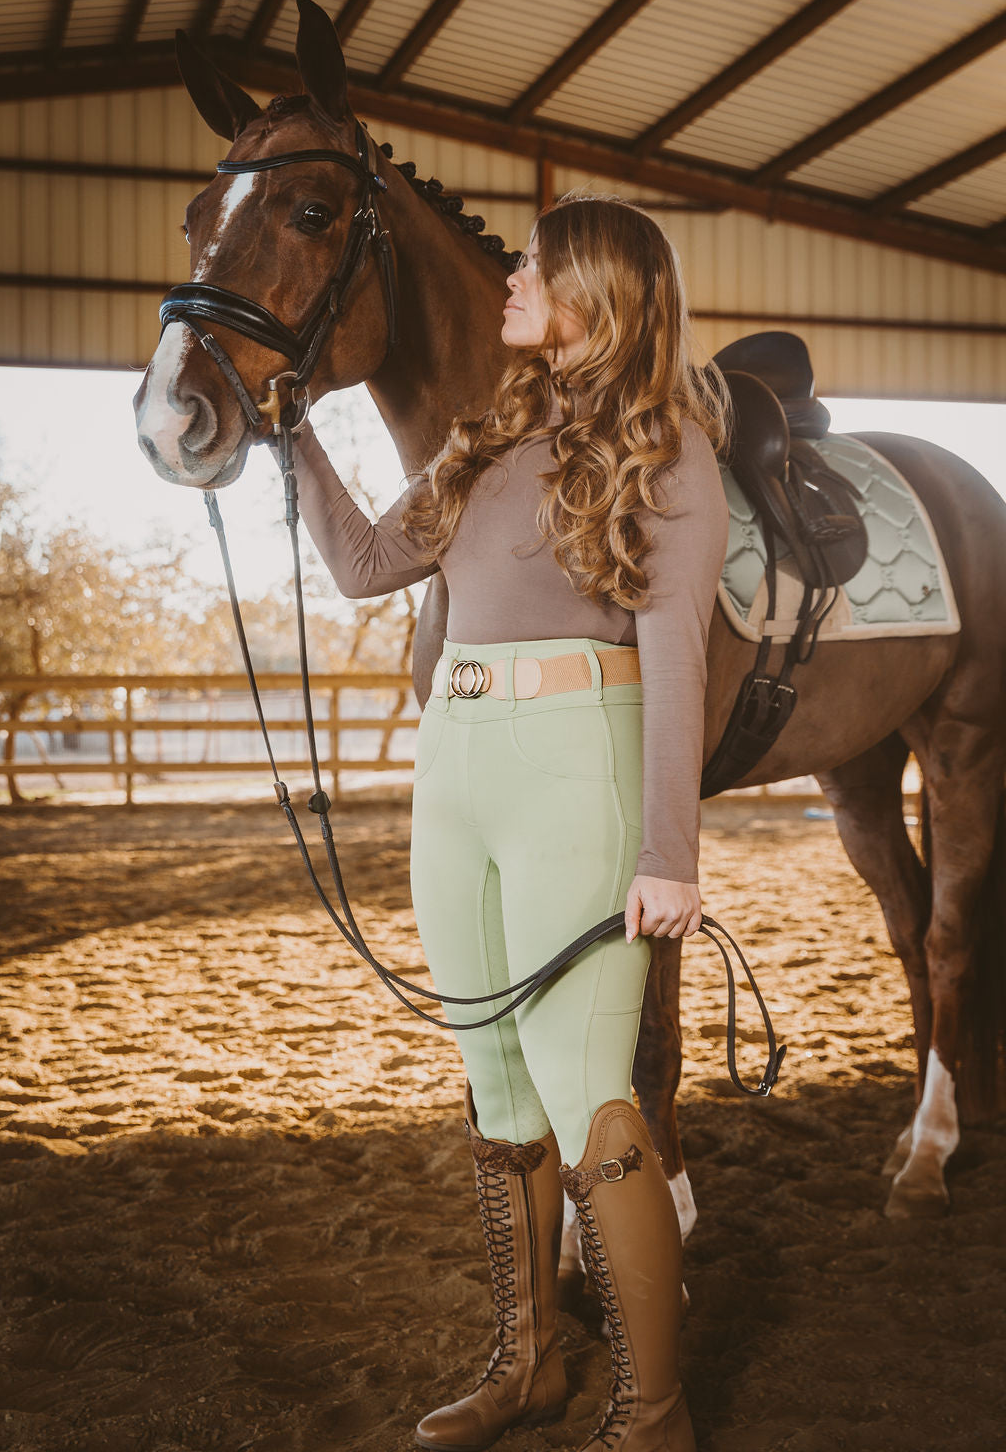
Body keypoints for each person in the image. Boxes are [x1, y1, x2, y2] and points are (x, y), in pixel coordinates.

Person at [290, 193, 730, 1452]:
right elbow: (371, 566)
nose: (513, 278)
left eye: (536, 264)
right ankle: (529, 1362)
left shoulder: (666, 445)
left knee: (592, 1091)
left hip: (574, 763)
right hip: (459, 760)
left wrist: (665, 853)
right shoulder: (494, 429)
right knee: (492, 1081)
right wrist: (296, 435)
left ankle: (654, 1415)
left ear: (599, 288)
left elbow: (680, 664)